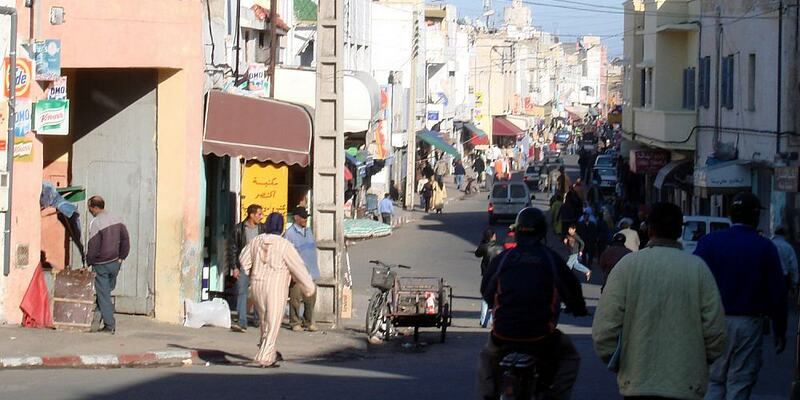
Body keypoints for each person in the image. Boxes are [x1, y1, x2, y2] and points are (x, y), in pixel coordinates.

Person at [593, 202, 727, 400]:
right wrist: (698, 361)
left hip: (637, 382)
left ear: (649, 229)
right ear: (680, 230)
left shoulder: (628, 267)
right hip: (685, 385)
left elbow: (604, 329)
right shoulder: (698, 269)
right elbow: (716, 331)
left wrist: (619, 361)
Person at [477, 208, 589, 400]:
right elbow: (572, 289)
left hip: (503, 334)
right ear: (542, 232)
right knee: (570, 357)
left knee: (487, 357)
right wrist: (578, 308)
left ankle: (488, 396)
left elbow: (486, 290)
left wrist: (498, 307)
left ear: (518, 231)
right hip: (541, 336)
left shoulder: (504, 259)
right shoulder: (550, 259)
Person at [694, 193, 788, 399]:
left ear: (730, 215)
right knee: (740, 381)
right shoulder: (764, 247)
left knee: (713, 379)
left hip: (713, 321)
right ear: (755, 217)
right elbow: (777, 292)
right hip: (749, 322)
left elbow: (694, 283)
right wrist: (780, 329)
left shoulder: (709, 242)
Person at [240, 212, 315, 367]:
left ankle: (270, 351)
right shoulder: (284, 245)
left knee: (264, 321)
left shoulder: (257, 241)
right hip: (275, 286)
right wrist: (308, 287)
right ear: (281, 228)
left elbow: (243, 260)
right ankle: (265, 356)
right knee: (273, 322)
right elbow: (298, 267)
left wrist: (249, 270)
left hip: (257, 285)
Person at [86, 196, 130, 334]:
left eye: (89, 208)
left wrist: (89, 261)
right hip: (115, 263)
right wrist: (122, 257)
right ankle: (95, 322)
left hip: (101, 264)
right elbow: (125, 239)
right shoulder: (117, 218)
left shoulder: (96, 222)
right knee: (104, 292)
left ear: (93, 207)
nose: (89, 211)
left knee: (103, 294)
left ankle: (109, 325)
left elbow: (93, 245)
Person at [230, 204, 267, 332]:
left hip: (259, 265)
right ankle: (242, 322)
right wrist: (234, 267)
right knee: (242, 291)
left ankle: (257, 319)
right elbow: (233, 249)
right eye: (259, 214)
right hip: (244, 265)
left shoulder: (262, 228)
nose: (261, 217)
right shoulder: (239, 229)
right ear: (251, 215)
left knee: (258, 292)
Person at [284, 207, 320, 333]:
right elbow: (286, 254)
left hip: (311, 271)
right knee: (295, 299)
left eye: (306, 217)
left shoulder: (309, 231)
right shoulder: (290, 234)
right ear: (296, 218)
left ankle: (308, 321)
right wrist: (290, 272)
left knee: (310, 298)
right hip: (297, 272)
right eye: (303, 217)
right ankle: (295, 322)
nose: (305, 219)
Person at [474, 228, 502, 328]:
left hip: (486, 274)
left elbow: (477, 254)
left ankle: (482, 320)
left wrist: (483, 242)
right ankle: (491, 320)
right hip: (497, 275)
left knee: (485, 296)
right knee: (495, 297)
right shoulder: (499, 248)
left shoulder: (484, 247)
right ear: (493, 236)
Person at [772, 225, 799, 293]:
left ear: (775, 233)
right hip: (783, 279)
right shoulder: (788, 247)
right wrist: (794, 283)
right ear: (785, 234)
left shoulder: (769, 244)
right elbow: (794, 267)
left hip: (769, 278)